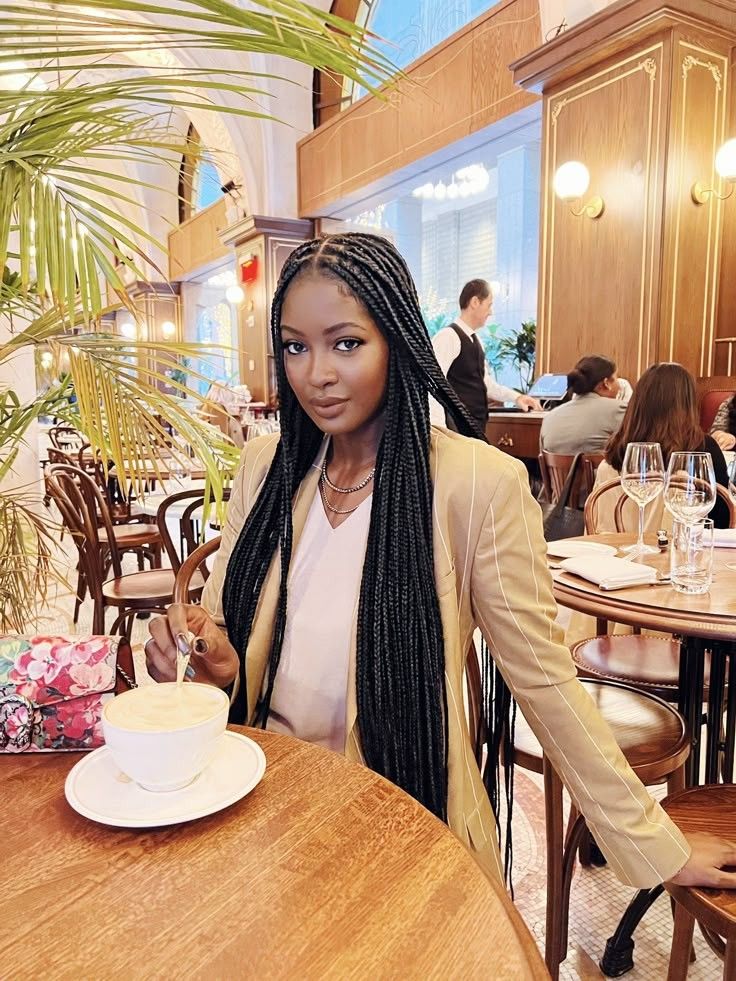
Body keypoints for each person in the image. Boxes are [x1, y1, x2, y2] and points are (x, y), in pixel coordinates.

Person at [146, 232, 736, 892]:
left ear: (396, 341)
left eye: (346, 343)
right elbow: (224, 638)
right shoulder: (268, 466)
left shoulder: (476, 483)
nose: (316, 373)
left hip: (398, 819)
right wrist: (205, 654)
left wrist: (656, 845)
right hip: (257, 803)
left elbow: (544, 681)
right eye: (295, 346)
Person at [596, 362, 731, 529]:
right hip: (681, 544)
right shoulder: (702, 450)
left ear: (637, 402)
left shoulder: (617, 450)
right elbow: (722, 521)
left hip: (614, 543)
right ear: (688, 403)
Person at [430, 279, 541, 434]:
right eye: (489, 305)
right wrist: (439, 432)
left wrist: (517, 398)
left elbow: (485, 383)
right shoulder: (448, 337)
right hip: (455, 430)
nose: (491, 312)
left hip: (475, 426)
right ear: (475, 302)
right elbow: (433, 384)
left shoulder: (477, 341)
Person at [540, 354, 626, 454]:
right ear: (606, 383)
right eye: (616, 378)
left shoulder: (549, 417)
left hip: (555, 465)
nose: (619, 386)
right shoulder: (619, 409)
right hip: (598, 465)